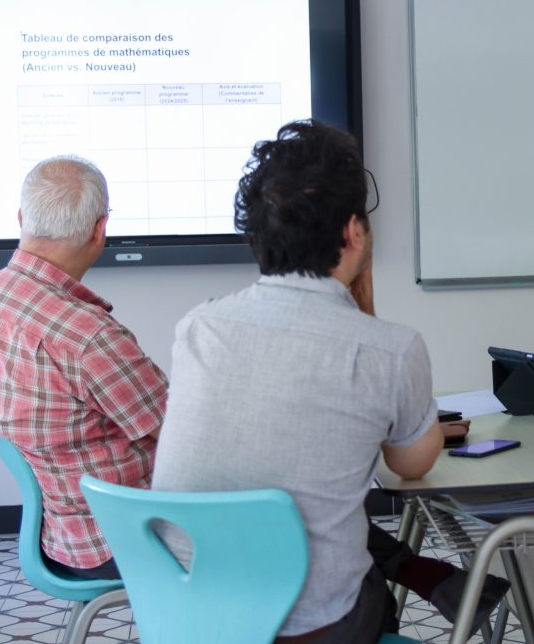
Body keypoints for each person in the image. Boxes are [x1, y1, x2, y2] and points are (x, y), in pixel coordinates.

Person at [150, 120, 507, 643]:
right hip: (314, 627)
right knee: (358, 567)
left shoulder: (198, 326)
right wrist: (366, 313)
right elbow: (410, 465)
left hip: (191, 612)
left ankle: (422, 573)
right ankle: (430, 578)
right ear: (354, 232)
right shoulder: (391, 348)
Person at [0, 155, 168, 579]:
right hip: (126, 539)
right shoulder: (86, 336)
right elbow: (184, 436)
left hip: (59, 535)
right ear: (100, 229)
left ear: (21, 218)